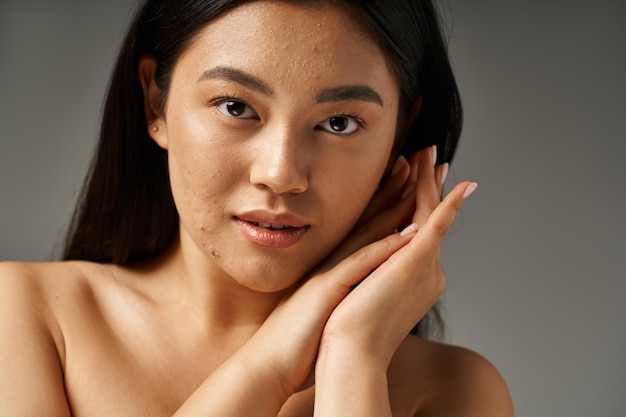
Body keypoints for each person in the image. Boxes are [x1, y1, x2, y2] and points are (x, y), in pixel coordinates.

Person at [0, 0, 514, 415]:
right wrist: (273, 359)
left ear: (400, 130)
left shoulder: (454, 392)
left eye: (339, 123)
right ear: (156, 103)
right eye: (235, 107)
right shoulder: (26, 316)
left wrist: (354, 361)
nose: (281, 173)